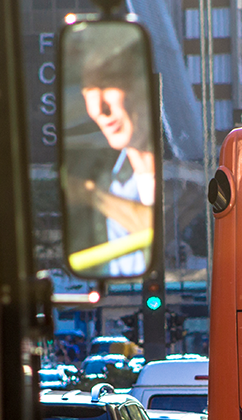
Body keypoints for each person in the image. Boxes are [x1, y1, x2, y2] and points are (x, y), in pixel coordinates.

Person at [80, 48, 154, 277]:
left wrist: (90, 195)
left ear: (142, 90)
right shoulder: (113, 181)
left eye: (109, 86)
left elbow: (156, 227)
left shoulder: (186, 166)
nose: (100, 110)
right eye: (90, 92)